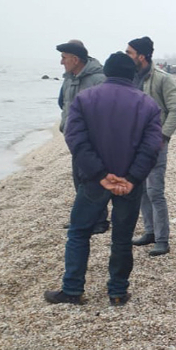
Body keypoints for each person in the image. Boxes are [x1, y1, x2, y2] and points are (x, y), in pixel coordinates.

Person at [44, 52, 162, 305]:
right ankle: (117, 292)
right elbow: (151, 147)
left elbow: (75, 139)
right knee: (121, 237)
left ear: (107, 72)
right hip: (129, 183)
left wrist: (100, 174)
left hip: (93, 181)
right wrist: (130, 178)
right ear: (132, 75)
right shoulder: (148, 104)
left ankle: (73, 289)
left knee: (79, 233)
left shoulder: (84, 99)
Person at [127, 36, 176, 257]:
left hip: (155, 144)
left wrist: (163, 137)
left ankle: (162, 239)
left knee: (155, 191)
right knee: (140, 189)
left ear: (141, 56)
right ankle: (150, 232)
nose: (127, 56)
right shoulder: (131, 78)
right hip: (134, 144)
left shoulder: (162, 79)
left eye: (130, 52)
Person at [56, 40, 109, 234]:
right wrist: (65, 126)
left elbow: (104, 113)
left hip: (92, 141)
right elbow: (64, 103)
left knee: (93, 178)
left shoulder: (98, 79)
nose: (61, 62)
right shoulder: (70, 78)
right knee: (78, 179)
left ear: (75, 59)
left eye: (64, 58)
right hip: (74, 139)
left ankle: (101, 221)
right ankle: (84, 218)